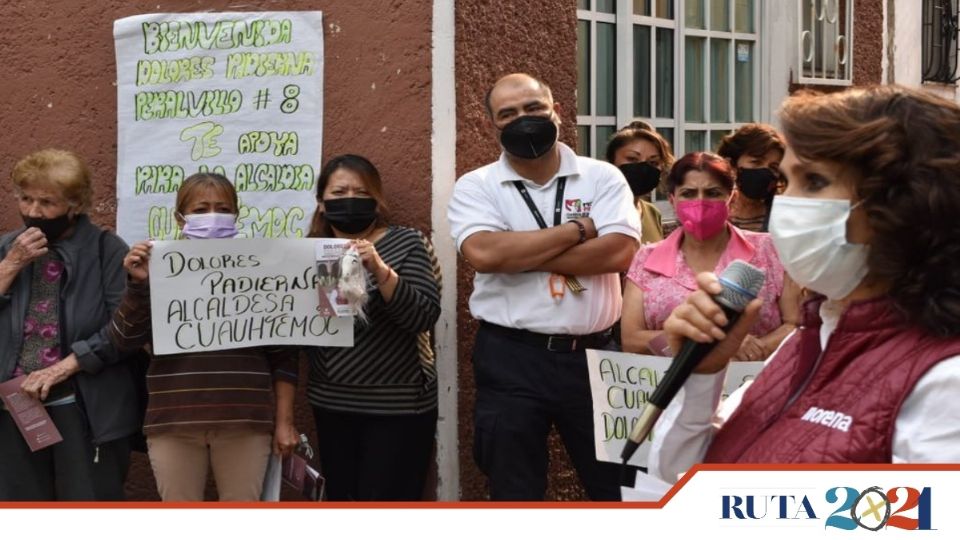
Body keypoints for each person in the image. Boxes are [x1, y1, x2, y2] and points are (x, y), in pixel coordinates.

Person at [648, 86, 960, 480]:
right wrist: (702, 374)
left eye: (813, 181)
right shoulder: (810, 338)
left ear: (901, 205)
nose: (789, 203)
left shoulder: (945, 382)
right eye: (785, 182)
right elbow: (681, 476)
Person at [448, 73, 641, 501]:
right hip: (511, 359)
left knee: (619, 489)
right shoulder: (475, 186)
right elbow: (483, 254)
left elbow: (618, 253)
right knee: (516, 493)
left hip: (595, 358)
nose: (524, 119)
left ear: (556, 111)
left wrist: (518, 255)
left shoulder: (602, 176)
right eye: (508, 113)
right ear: (491, 125)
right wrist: (577, 230)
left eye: (534, 108)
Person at [108, 172, 299, 501]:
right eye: (200, 210)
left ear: (236, 216)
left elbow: (283, 354)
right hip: (174, 420)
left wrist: (285, 422)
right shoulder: (156, 269)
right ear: (179, 218)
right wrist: (139, 286)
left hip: (245, 419)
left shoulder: (260, 270)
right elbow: (123, 340)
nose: (212, 217)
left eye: (223, 209)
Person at [0, 149, 137, 500]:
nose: (33, 211)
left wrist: (61, 369)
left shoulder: (105, 250)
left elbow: (124, 328)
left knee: (88, 507)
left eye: (47, 202)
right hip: (15, 405)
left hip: (85, 406)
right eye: (25, 198)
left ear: (75, 204)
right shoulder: (6, 249)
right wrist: (11, 265)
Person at [306, 154, 441, 501]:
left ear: (377, 200)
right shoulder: (308, 252)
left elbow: (422, 317)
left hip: (399, 406)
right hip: (333, 403)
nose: (350, 199)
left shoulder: (408, 243)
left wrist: (380, 270)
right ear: (322, 203)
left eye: (360, 191)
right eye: (339, 192)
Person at [621, 152, 798, 362]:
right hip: (673, 385)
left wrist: (756, 348)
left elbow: (796, 324)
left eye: (713, 193)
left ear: (731, 198)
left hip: (753, 382)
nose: (700, 202)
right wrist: (702, 343)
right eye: (688, 193)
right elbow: (631, 339)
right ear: (672, 199)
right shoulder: (647, 258)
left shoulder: (769, 249)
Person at [605, 121, 674, 244]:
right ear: (611, 162)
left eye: (653, 163)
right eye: (632, 159)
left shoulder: (653, 213)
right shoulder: (597, 211)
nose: (643, 167)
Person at [715, 123, 786, 232]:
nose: (764, 171)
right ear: (732, 165)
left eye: (773, 167)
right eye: (756, 162)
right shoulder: (711, 213)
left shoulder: (783, 219)